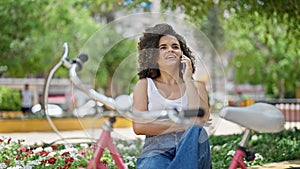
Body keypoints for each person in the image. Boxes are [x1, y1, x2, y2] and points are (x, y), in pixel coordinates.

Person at [132, 23, 211, 169]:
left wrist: (188, 79)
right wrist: (183, 124)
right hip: (156, 149)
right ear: (153, 56)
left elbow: (199, 120)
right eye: (163, 47)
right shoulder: (144, 85)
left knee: (196, 130)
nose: (171, 50)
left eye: (175, 46)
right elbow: (139, 126)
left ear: (183, 55)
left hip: (193, 147)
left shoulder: (197, 86)